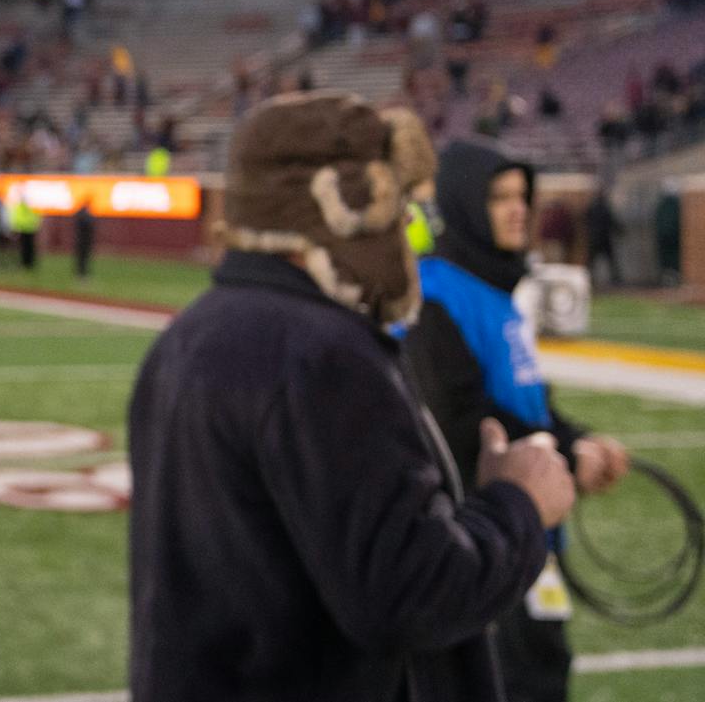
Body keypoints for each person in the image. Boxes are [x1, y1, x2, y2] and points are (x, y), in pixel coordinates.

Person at [128, 93, 572, 702]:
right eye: (397, 207)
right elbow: (408, 594)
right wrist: (519, 504)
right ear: (347, 204)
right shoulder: (322, 354)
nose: (405, 233)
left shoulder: (189, 334)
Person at [405, 140, 634, 702]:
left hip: (526, 534)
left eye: (521, 197)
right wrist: (564, 455)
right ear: (461, 205)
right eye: (497, 197)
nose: (516, 210)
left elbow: (529, 405)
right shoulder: (433, 295)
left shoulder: (500, 293)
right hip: (477, 538)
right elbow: (464, 419)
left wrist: (581, 442)